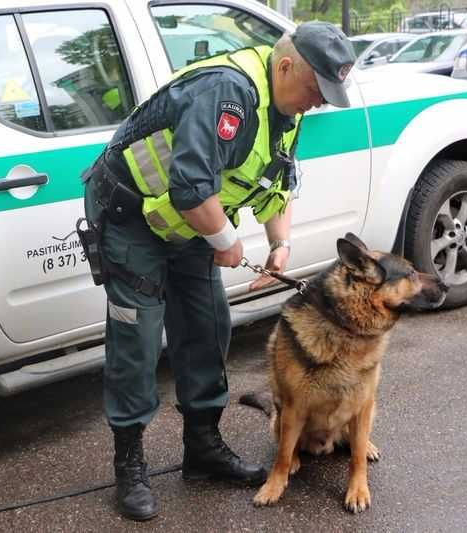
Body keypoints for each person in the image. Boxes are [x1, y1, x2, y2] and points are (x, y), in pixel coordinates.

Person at [79, 21, 356, 521]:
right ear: (286, 65)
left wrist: (280, 243)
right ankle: (130, 464)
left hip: (191, 224)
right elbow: (189, 188)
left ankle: (202, 451)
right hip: (130, 218)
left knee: (208, 324)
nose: (318, 103)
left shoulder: (287, 108)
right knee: (137, 340)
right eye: (317, 90)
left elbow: (277, 181)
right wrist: (227, 242)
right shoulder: (226, 91)